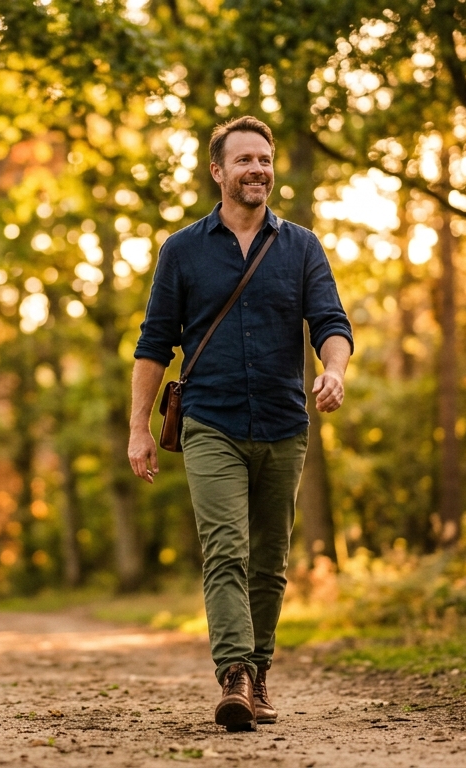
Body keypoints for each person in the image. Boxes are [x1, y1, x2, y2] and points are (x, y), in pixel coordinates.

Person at [127, 116, 353, 731]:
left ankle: (259, 674)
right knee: (225, 549)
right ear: (217, 171)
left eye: (264, 159)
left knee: (270, 561)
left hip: (284, 421)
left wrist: (333, 371)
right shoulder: (182, 250)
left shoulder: (302, 246)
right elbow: (154, 344)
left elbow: (332, 323)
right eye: (244, 160)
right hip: (210, 421)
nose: (257, 169)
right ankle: (235, 676)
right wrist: (139, 428)